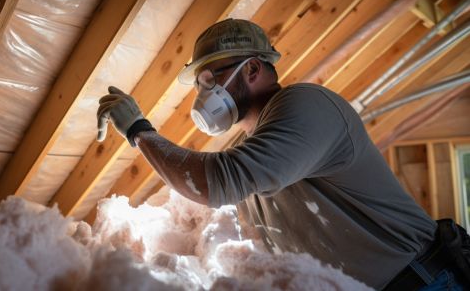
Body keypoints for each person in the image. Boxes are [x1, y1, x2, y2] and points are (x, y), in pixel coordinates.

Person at [96, 18, 469, 290]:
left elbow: (217, 181)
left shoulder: (306, 105)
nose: (203, 94)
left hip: (426, 281)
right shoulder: (249, 152)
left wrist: (139, 131)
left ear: (253, 69)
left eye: (210, 80)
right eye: (199, 85)